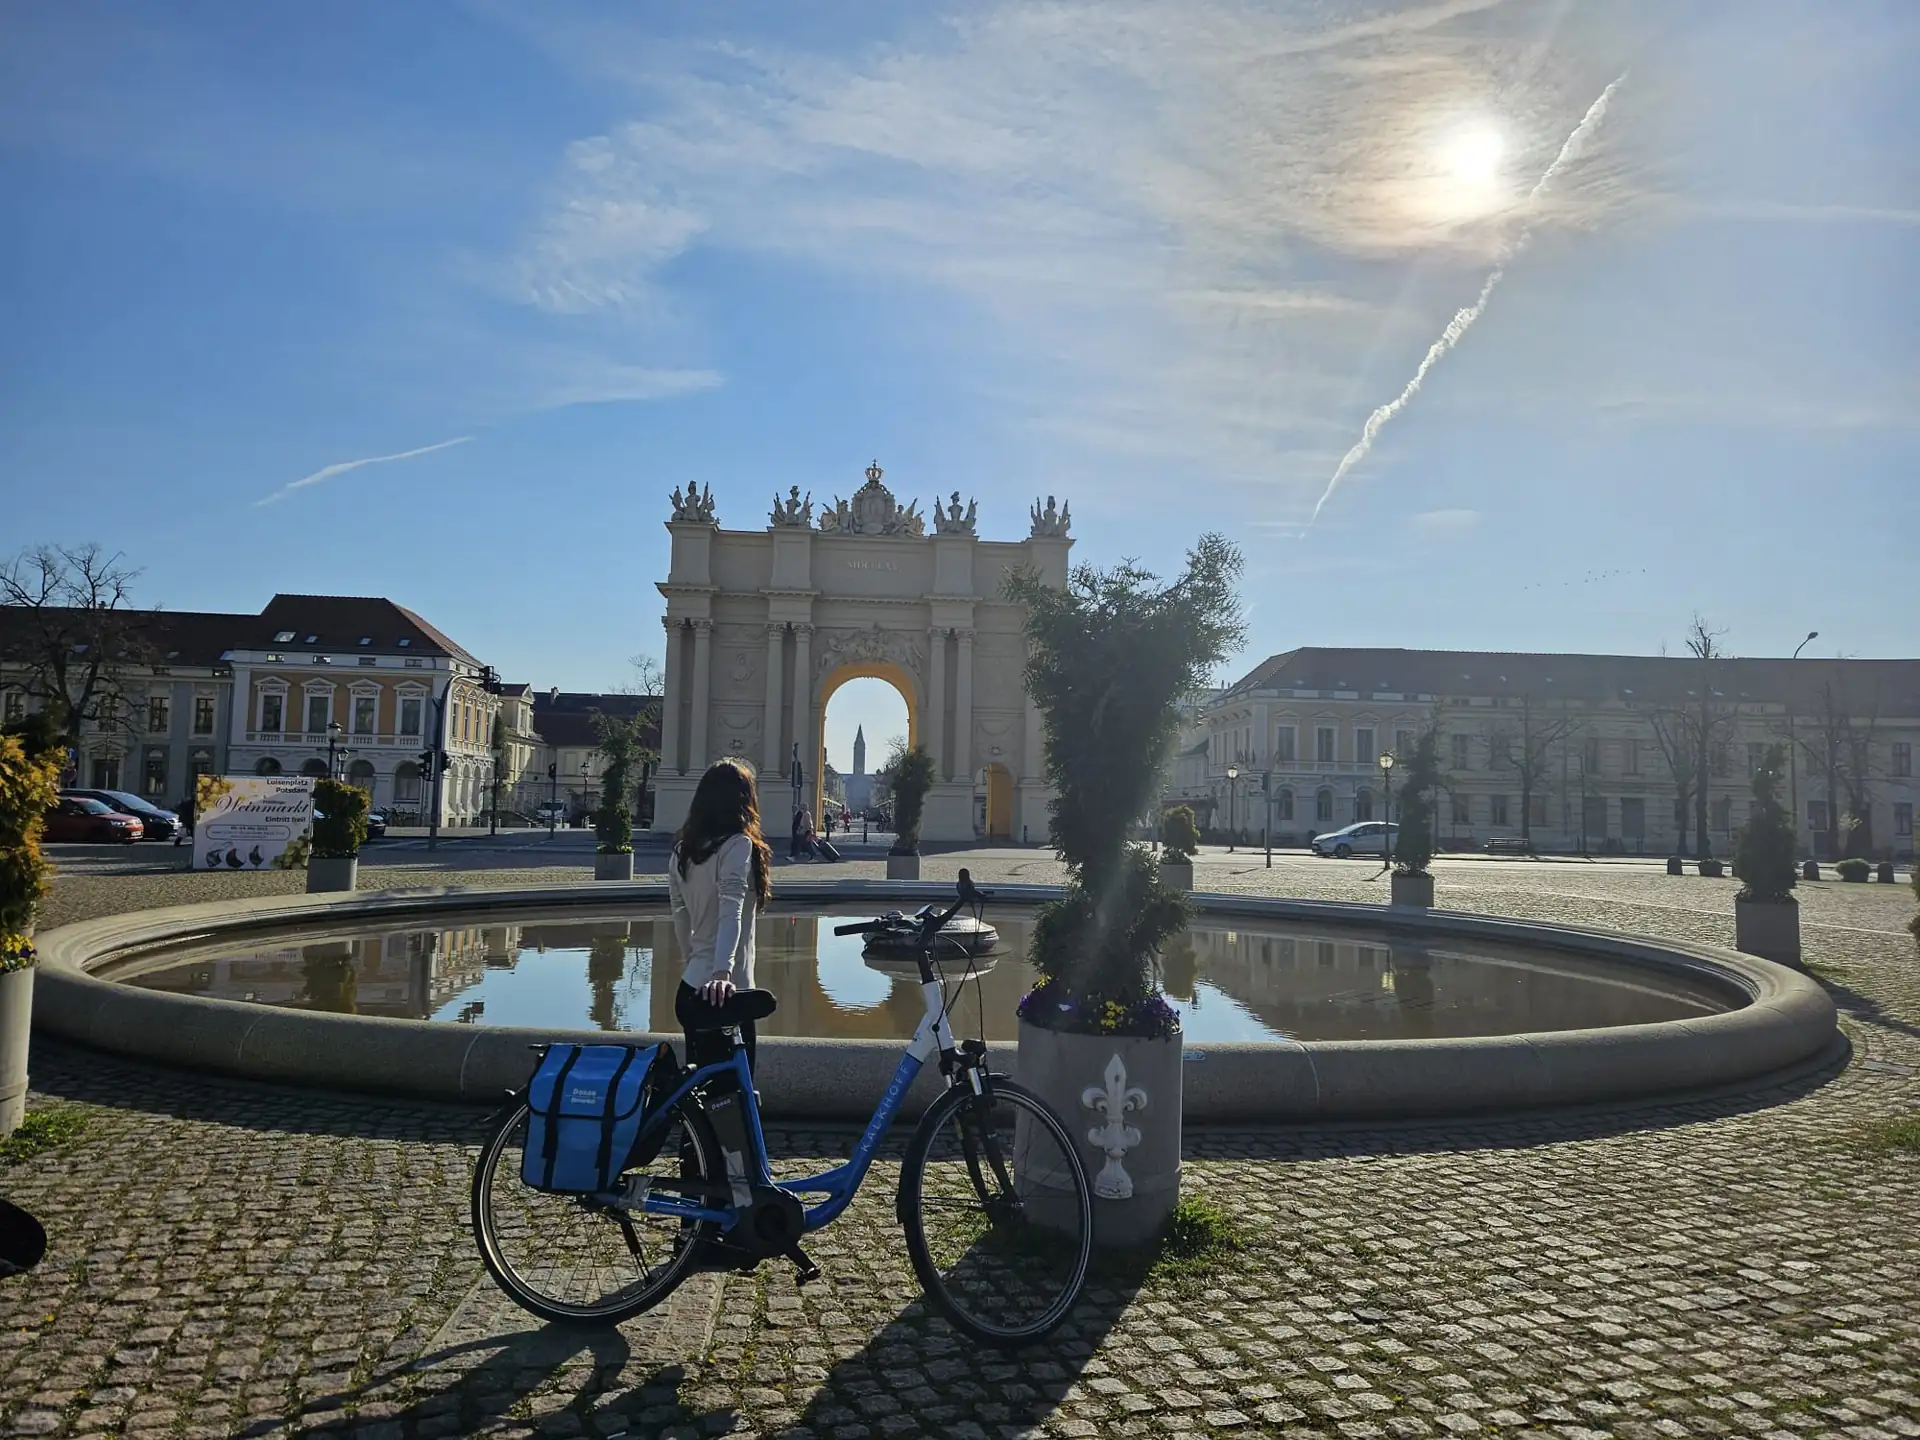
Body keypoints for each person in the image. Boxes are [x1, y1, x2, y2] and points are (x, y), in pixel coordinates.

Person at [668, 758, 774, 1074]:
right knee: (734, 1104)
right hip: (727, 995)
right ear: (744, 800)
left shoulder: (681, 851)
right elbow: (733, 908)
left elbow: (680, 916)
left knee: (701, 1101)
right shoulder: (737, 845)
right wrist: (721, 973)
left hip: (691, 990)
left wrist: (695, 963)